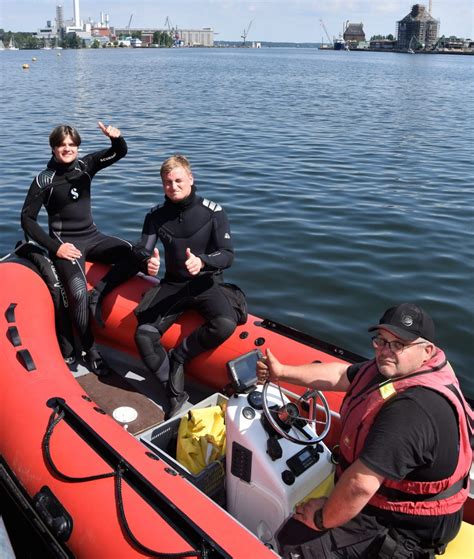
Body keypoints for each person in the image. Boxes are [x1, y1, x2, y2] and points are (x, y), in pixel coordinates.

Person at [256, 303, 472, 559]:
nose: (385, 351)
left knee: (294, 540)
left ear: (427, 351)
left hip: (406, 527)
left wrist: (321, 518)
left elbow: (360, 486)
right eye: (381, 341)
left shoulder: (412, 410)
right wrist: (282, 373)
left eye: (398, 344)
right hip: (391, 496)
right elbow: (341, 374)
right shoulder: (393, 371)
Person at [133, 154, 245, 419]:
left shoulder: (213, 212)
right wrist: (146, 264)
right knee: (144, 334)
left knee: (226, 323)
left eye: (178, 180)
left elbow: (227, 255)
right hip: (173, 283)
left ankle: (180, 356)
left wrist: (203, 262)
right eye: (167, 182)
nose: (173, 186)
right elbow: (143, 250)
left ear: (191, 179)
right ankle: (174, 393)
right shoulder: (156, 216)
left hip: (206, 282)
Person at [21, 122, 136, 374]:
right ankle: (89, 350)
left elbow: (120, 152)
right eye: (62, 144)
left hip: (92, 236)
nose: (67, 148)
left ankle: (101, 293)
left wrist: (116, 138)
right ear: (53, 148)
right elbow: (27, 219)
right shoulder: (45, 180)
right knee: (77, 291)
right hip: (66, 244)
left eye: (72, 144)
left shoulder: (86, 166)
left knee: (137, 255)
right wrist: (56, 248)